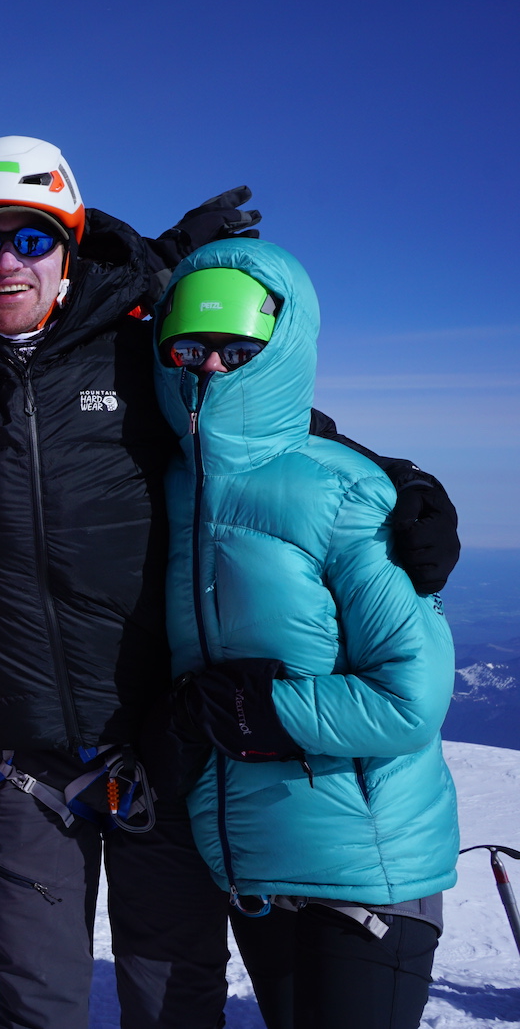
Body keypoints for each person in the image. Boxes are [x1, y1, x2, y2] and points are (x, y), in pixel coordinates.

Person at [0, 136, 462, 1028]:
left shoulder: (136, 357)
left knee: (172, 1000)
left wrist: (406, 483)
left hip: (163, 745)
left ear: (68, 247)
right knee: (37, 1008)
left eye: (31, 238)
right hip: (23, 752)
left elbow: (258, 424)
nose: (6, 262)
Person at [154, 241, 457, 1029]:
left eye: (238, 348)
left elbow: (410, 698)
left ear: (279, 349)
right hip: (254, 862)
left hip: (366, 869)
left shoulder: (348, 489)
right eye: (190, 346)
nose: (212, 367)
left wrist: (264, 712)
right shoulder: (170, 480)